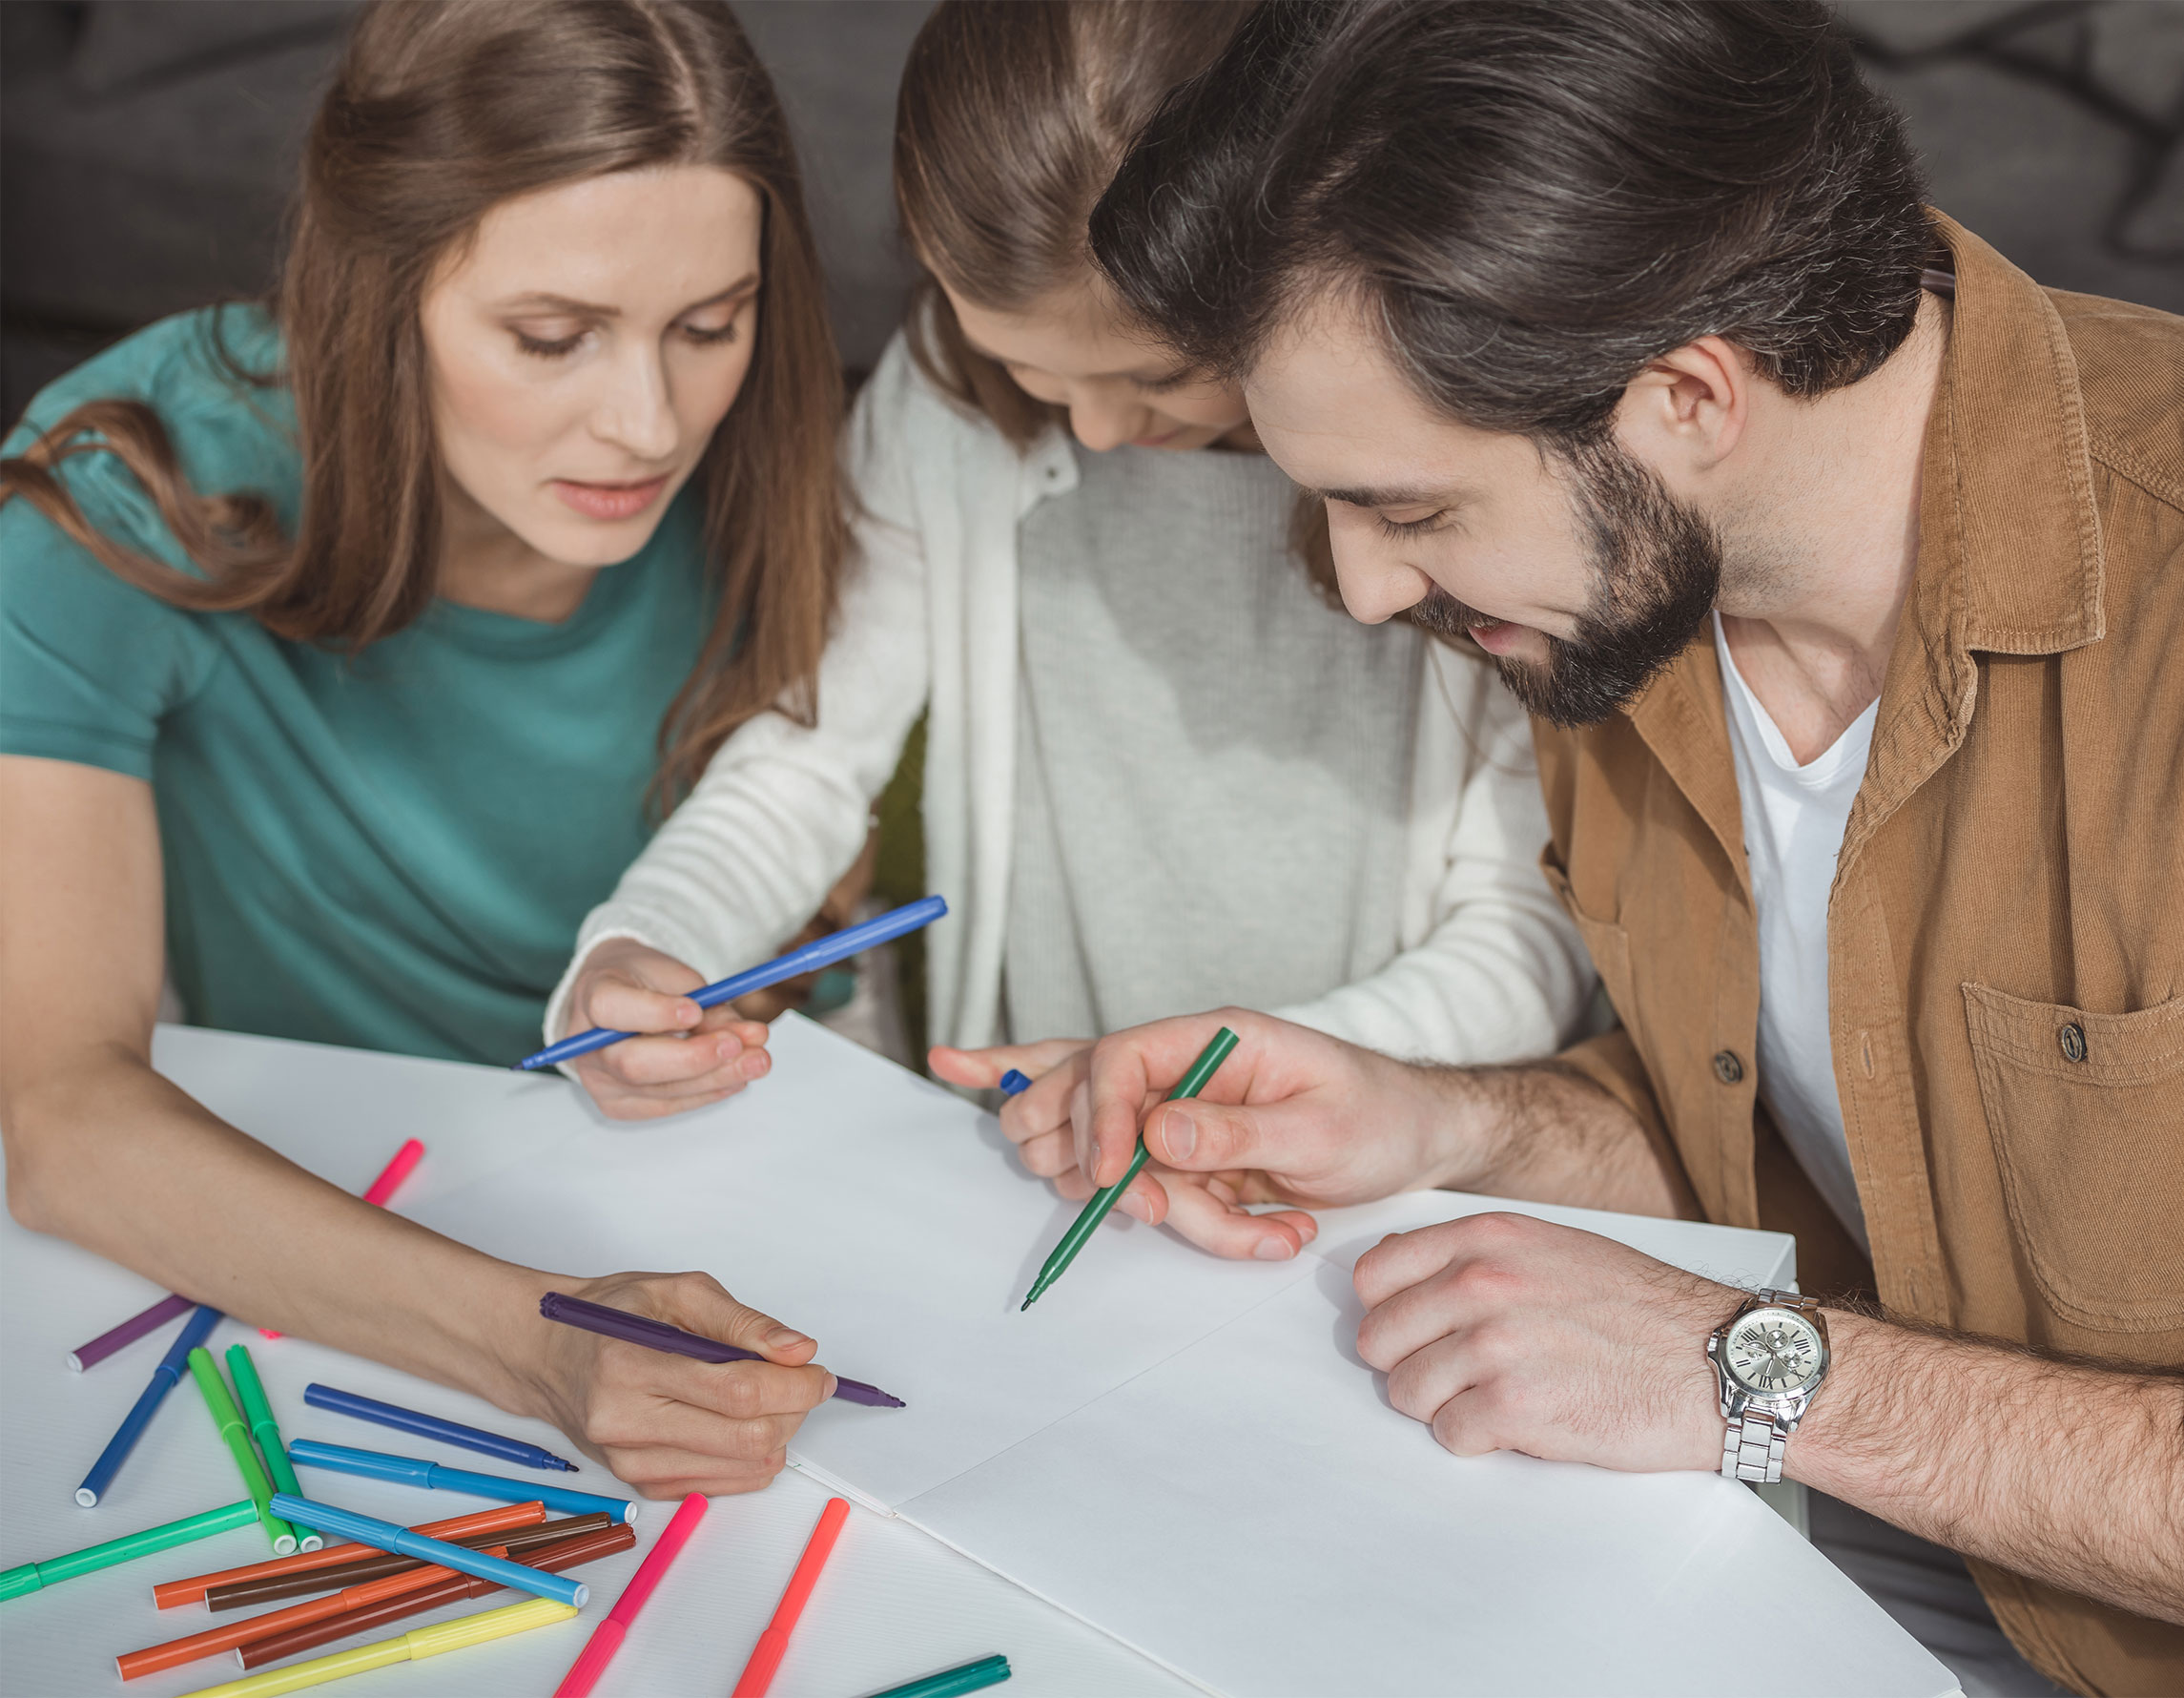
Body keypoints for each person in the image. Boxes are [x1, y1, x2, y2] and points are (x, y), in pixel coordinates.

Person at [965, 2, 2183, 1692]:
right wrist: (1444, 1121)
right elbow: (1834, 1158)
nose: (1371, 589)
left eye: (1410, 509)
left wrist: (1752, 1373)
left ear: (1686, 395)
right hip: (1831, 1577)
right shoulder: (1627, 595)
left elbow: (1783, 1329)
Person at [547, 0, 1596, 1240]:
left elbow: (1529, 928)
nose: (1095, 430)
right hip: (1039, 1171)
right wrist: (649, 941)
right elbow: (813, 750)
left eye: (1155, 374)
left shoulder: (1459, 465)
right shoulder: (940, 402)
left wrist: (1239, 1095)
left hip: (1377, 1193)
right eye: (1033, 372)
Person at [0, 0, 857, 1496]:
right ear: (374, 290)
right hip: (347, 1230)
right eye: (550, 338)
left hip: (754, 1193)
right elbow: (59, 1115)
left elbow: (819, 949)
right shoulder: (138, 481)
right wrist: (538, 1344)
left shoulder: (771, 463)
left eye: (708, 326)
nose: (648, 423)